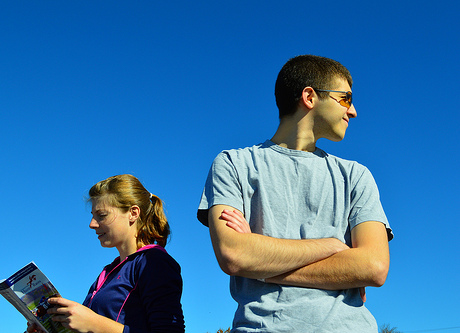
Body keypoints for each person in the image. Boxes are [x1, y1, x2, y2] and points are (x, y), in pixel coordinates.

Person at [197, 55, 393, 332]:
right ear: (309, 97)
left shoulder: (356, 175)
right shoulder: (233, 164)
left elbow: (373, 266)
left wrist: (260, 261)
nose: (353, 112)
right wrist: (333, 246)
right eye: (346, 99)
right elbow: (234, 255)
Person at [27, 174, 185, 333]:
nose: (92, 224)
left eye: (101, 215)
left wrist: (94, 324)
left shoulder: (154, 262)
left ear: (133, 213)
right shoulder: (107, 272)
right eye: (92, 216)